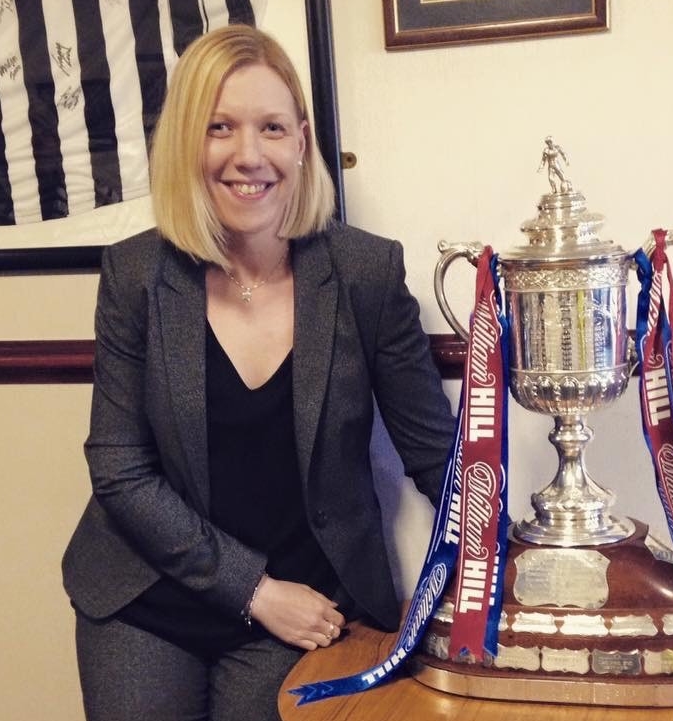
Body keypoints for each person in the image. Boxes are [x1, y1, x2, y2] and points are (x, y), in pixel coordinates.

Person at [61, 24, 456, 721]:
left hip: (305, 602)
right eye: (219, 127)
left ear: (302, 140)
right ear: (187, 141)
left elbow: (438, 457)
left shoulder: (366, 273)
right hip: (147, 590)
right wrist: (251, 588)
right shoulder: (135, 276)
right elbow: (120, 468)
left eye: (271, 127)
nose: (249, 155)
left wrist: (518, 567)